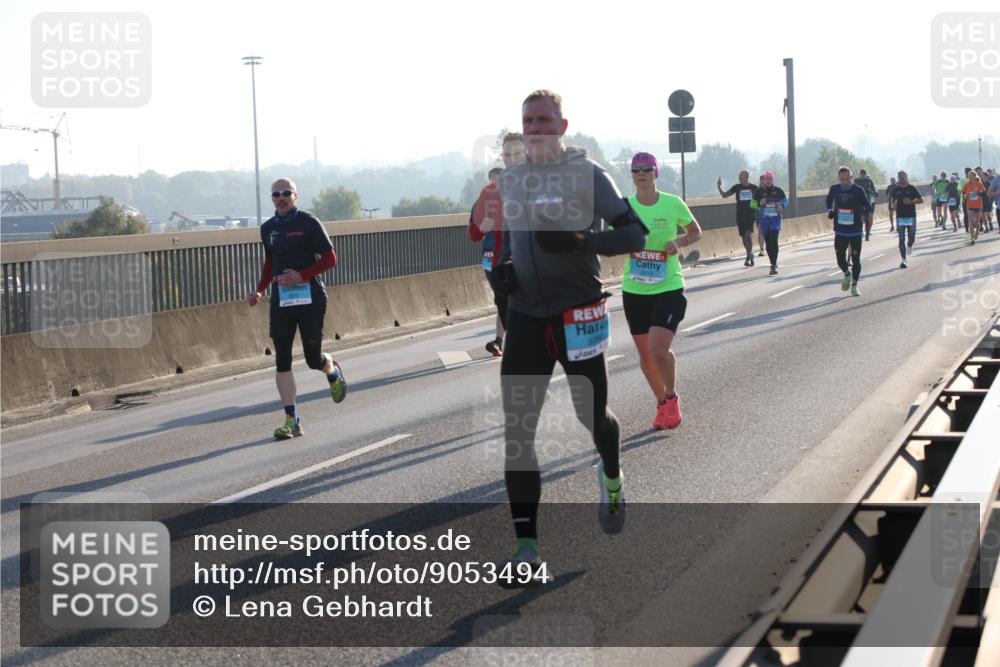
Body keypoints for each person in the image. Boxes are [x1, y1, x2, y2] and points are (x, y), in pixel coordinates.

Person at [495, 90, 648, 580]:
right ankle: (526, 549)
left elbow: (634, 234)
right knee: (519, 433)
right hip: (525, 317)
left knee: (592, 416)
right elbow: (510, 245)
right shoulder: (512, 180)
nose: (535, 128)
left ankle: (612, 473)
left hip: (578, 313)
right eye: (527, 121)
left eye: (544, 120)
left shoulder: (589, 175)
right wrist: (505, 273)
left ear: (562, 126)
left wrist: (581, 240)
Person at [248, 178, 347, 440]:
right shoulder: (268, 228)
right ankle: (292, 419)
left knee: (312, 359)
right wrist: (260, 290)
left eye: (286, 193)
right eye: (276, 194)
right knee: (282, 358)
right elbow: (270, 262)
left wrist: (301, 276)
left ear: (295, 196)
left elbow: (330, 258)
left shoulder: (308, 223)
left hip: (310, 297)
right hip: (282, 300)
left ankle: (332, 370)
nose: (281, 198)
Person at [630, 153, 702, 430]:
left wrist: (679, 242)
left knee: (658, 349)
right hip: (635, 288)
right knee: (645, 355)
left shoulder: (673, 203)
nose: (641, 173)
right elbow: (611, 237)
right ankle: (661, 403)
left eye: (647, 169)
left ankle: (671, 397)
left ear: (656, 173)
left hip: (669, 285)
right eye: (636, 170)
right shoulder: (625, 208)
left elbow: (696, 231)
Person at [469, 133, 528, 356]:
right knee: (504, 300)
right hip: (492, 260)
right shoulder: (484, 198)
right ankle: (502, 341)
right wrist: (481, 227)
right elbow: (474, 234)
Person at [826, 167, 869, 296]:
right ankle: (846, 273)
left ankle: (854, 285)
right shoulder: (834, 189)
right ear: (839, 178)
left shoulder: (858, 190)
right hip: (840, 230)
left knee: (856, 260)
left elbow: (867, 205)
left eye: (846, 179)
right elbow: (828, 201)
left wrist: (863, 215)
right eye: (841, 179)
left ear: (851, 177)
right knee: (840, 259)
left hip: (855, 230)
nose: (844, 182)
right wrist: (830, 210)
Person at [717, 170, 759, 266]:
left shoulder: (754, 188)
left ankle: (748, 257)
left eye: (741, 176)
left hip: (750, 214)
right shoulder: (737, 187)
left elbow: (760, 197)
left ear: (747, 176)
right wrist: (719, 187)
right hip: (740, 215)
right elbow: (724, 196)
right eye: (739, 176)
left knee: (748, 235)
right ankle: (750, 254)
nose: (739, 178)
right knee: (744, 237)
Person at [755, 171, 787, 275]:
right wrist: (759, 203)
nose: (768, 181)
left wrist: (781, 206)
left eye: (770, 179)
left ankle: (773, 265)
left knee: (774, 239)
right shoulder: (759, 192)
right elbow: (752, 204)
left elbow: (786, 200)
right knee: (769, 244)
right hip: (764, 220)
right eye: (766, 179)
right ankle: (772, 262)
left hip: (775, 219)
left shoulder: (778, 191)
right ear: (764, 181)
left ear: (773, 180)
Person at [890, 171, 923, 268]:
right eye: (900, 177)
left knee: (911, 237)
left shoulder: (912, 188)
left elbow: (921, 200)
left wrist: (911, 202)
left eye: (903, 177)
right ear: (898, 178)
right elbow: (892, 199)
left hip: (911, 216)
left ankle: (910, 244)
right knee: (901, 238)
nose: (902, 179)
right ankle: (903, 260)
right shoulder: (896, 189)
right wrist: (893, 204)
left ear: (907, 178)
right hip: (900, 217)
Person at [963, 171, 987, 245]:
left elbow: (983, 193)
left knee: (977, 222)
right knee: (971, 223)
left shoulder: (979, 184)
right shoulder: (966, 185)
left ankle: (977, 231)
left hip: (978, 205)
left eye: (971, 176)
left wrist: (978, 193)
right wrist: (964, 197)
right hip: (969, 206)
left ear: (974, 176)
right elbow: (963, 195)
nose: (969, 177)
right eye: (968, 176)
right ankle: (972, 239)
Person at [853, 169, 877, 241]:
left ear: (866, 175)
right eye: (861, 174)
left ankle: (867, 233)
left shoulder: (869, 181)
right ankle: (860, 232)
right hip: (858, 202)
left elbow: (874, 190)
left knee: (868, 218)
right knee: (860, 218)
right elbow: (852, 188)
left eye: (864, 174)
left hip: (867, 201)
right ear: (859, 174)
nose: (862, 175)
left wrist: (874, 193)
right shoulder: (856, 181)